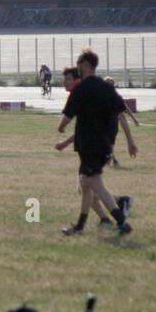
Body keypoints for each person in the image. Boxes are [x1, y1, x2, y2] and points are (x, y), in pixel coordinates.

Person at [57, 49, 136, 236]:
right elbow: (120, 112)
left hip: (88, 144)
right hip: (105, 143)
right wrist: (130, 141)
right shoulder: (107, 87)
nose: (77, 65)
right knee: (85, 184)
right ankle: (80, 227)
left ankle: (122, 221)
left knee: (95, 183)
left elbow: (68, 115)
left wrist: (61, 127)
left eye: (79, 62)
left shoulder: (82, 88)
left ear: (86, 64)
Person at [54, 66, 112, 226]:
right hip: (91, 146)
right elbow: (82, 130)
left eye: (68, 79)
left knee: (91, 185)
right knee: (85, 187)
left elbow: (81, 125)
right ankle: (105, 218)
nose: (65, 82)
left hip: (94, 147)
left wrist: (63, 132)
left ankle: (120, 212)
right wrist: (65, 143)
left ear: (77, 79)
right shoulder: (84, 93)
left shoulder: (82, 94)